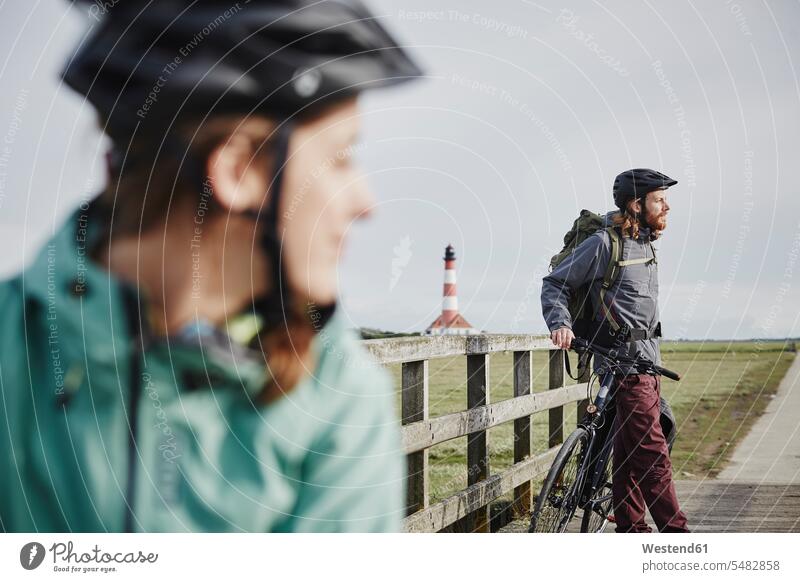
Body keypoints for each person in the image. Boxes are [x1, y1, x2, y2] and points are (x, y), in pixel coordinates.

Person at [0, 0, 422, 532]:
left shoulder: (337, 401)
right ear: (239, 169)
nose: (365, 203)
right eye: (339, 158)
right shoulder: (12, 357)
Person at [540, 168, 690, 533]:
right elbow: (555, 282)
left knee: (628, 460)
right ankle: (679, 539)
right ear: (636, 204)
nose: (666, 206)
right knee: (653, 459)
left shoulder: (645, 244)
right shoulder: (606, 244)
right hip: (624, 368)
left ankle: (631, 530)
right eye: (659, 199)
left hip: (649, 365)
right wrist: (560, 323)